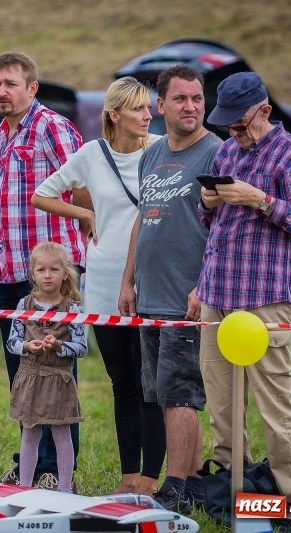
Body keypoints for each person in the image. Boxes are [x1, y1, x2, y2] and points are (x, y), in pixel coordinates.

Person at [198, 72, 291, 533]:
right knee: (223, 408)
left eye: (239, 124)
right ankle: (238, 499)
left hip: (266, 300)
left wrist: (263, 200)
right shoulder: (228, 151)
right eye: (227, 125)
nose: (232, 132)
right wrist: (209, 202)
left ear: (265, 112)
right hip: (217, 296)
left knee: (276, 406)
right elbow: (210, 223)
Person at [32, 77, 166, 495]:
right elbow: (42, 194)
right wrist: (84, 215)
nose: (148, 115)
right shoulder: (92, 154)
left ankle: (151, 479)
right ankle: (129, 477)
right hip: (106, 278)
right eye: (139, 109)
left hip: (154, 277)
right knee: (122, 382)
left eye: (149, 108)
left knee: (152, 384)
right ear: (114, 114)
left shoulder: (161, 150)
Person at [118, 65, 222, 512]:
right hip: (150, 294)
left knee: (181, 393)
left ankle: (175, 486)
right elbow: (144, 217)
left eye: (197, 98)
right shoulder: (151, 153)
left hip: (188, 298)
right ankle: (195, 483)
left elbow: (225, 230)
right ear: (160, 106)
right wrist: (128, 279)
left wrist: (205, 285)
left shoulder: (216, 154)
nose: (191, 107)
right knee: (162, 392)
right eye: (180, 99)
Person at [0, 51, 86, 490]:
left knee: (56, 373)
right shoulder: (1, 134)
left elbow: (82, 188)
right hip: (11, 272)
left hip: (51, 276)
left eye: (11, 84)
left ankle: (55, 469)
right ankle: (29, 463)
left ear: (32, 88)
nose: (2, 92)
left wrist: (83, 249)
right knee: (23, 374)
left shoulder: (52, 127)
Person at [7, 242, 87, 493]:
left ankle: (64, 488)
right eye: (41, 270)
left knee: (62, 433)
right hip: (29, 378)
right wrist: (27, 346)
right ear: (33, 273)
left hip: (59, 379)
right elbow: (12, 342)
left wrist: (59, 346)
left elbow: (82, 348)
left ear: (65, 273)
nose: (48, 275)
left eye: (54, 269)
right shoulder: (24, 305)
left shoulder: (72, 309)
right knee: (30, 433)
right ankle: (24, 487)